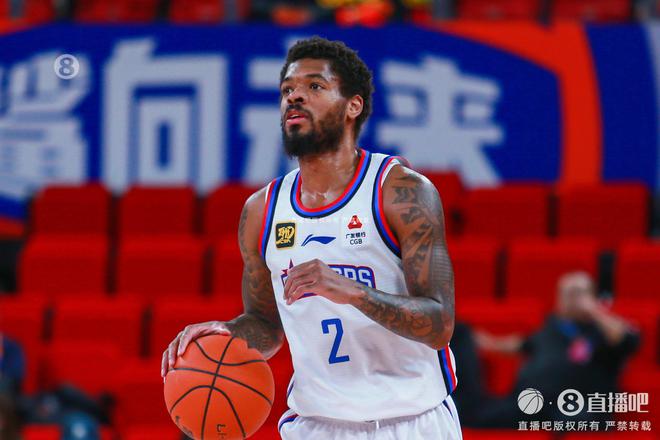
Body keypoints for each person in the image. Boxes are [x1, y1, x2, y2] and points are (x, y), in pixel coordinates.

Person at [162, 36, 460, 439]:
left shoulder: (400, 192)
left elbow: (440, 324)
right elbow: (267, 324)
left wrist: (353, 292)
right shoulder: (262, 211)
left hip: (411, 421)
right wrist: (227, 333)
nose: (295, 97)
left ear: (353, 106)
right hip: (316, 424)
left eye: (314, 86)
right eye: (288, 89)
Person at [473, 271, 640, 427]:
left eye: (578, 293)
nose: (572, 299)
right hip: (535, 402)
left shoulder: (602, 330)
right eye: (566, 293)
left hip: (577, 404)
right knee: (482, 415)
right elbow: (520, 344)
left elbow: (626, 340)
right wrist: (487, 342)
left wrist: (593, 310)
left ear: (592, 296)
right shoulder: (552, 327)